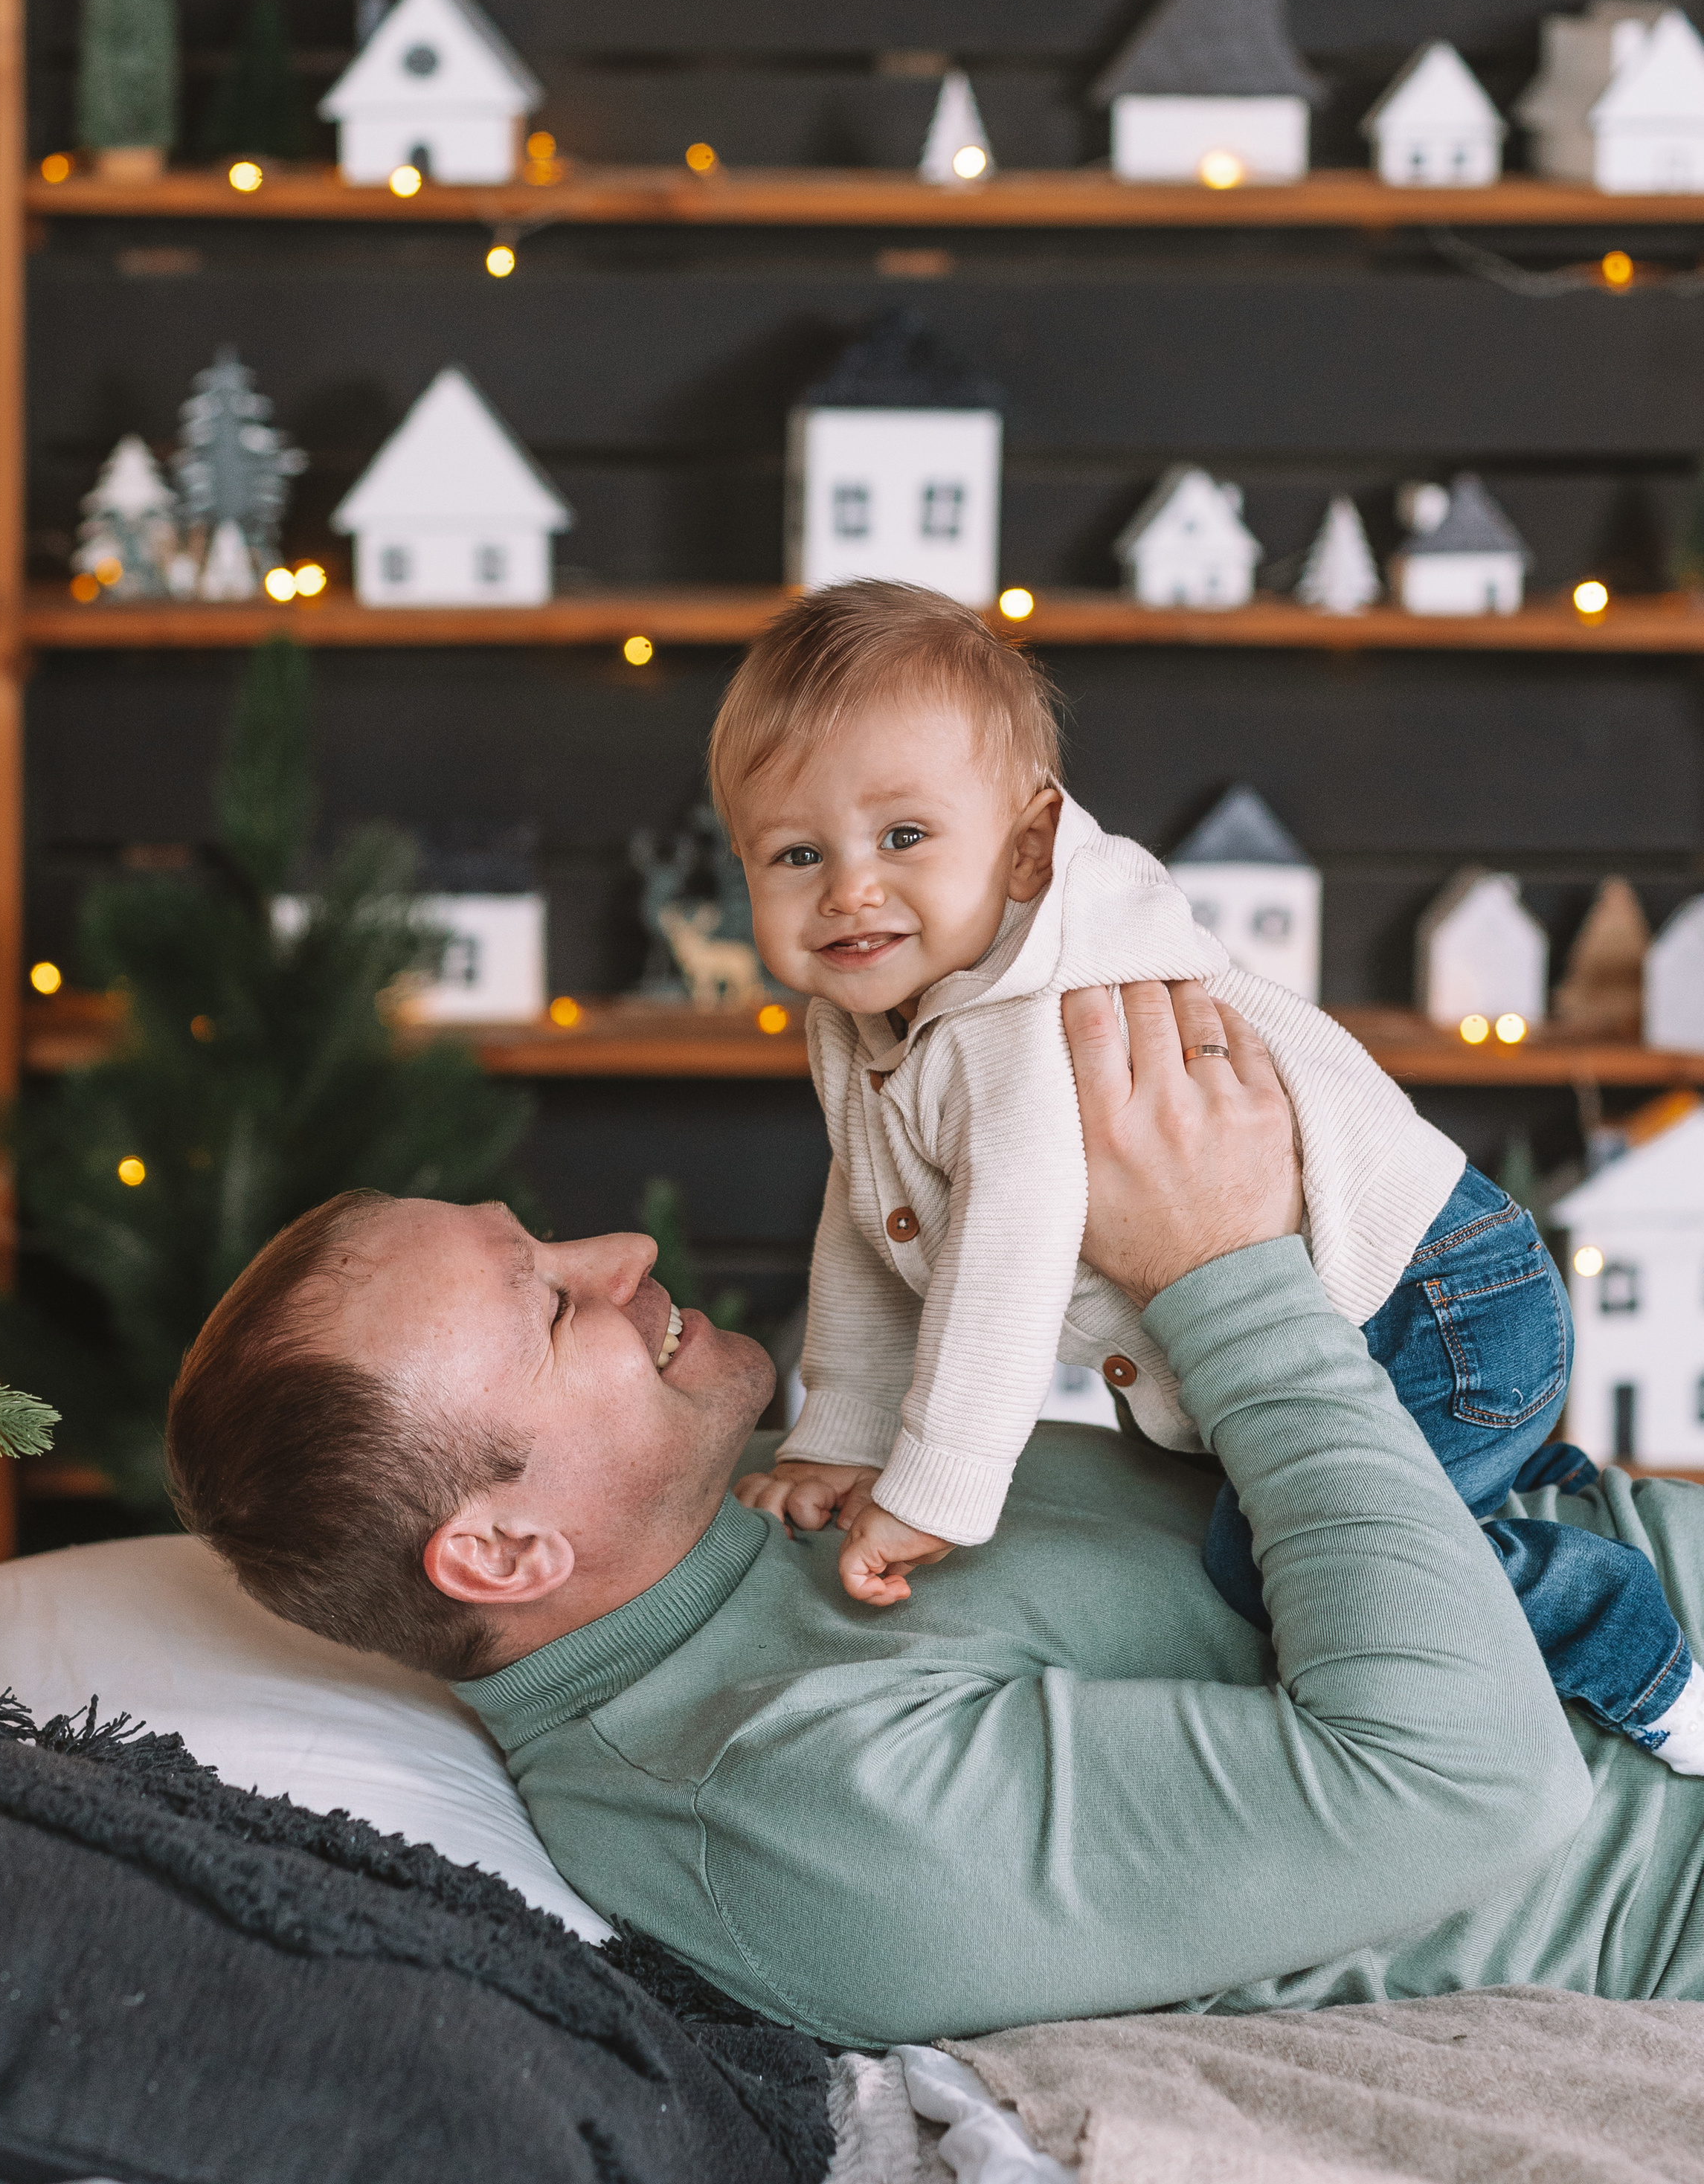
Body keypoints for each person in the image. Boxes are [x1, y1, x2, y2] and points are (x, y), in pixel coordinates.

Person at [170, 977, 1704, 2053]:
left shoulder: (760, 1506)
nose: (623, 1249)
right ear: (501, 1553)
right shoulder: (779, 1802)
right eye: (549, 1305)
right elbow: (1475, 1789)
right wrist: (1220, 1271)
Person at [707, 582, 1704, 1770]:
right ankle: (1516, 1506)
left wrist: (935, 1484)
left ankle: (1634, 1650)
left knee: (1284, 1565)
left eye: (905, 837)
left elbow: (1007, 1246)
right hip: (1394, 1318)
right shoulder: (876, 1024)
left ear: (1028, 850)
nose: (850, 888)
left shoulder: (1021, 1022)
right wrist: (841, 1435)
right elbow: (877, 1227)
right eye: (796, 854)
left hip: (1430, 1311)